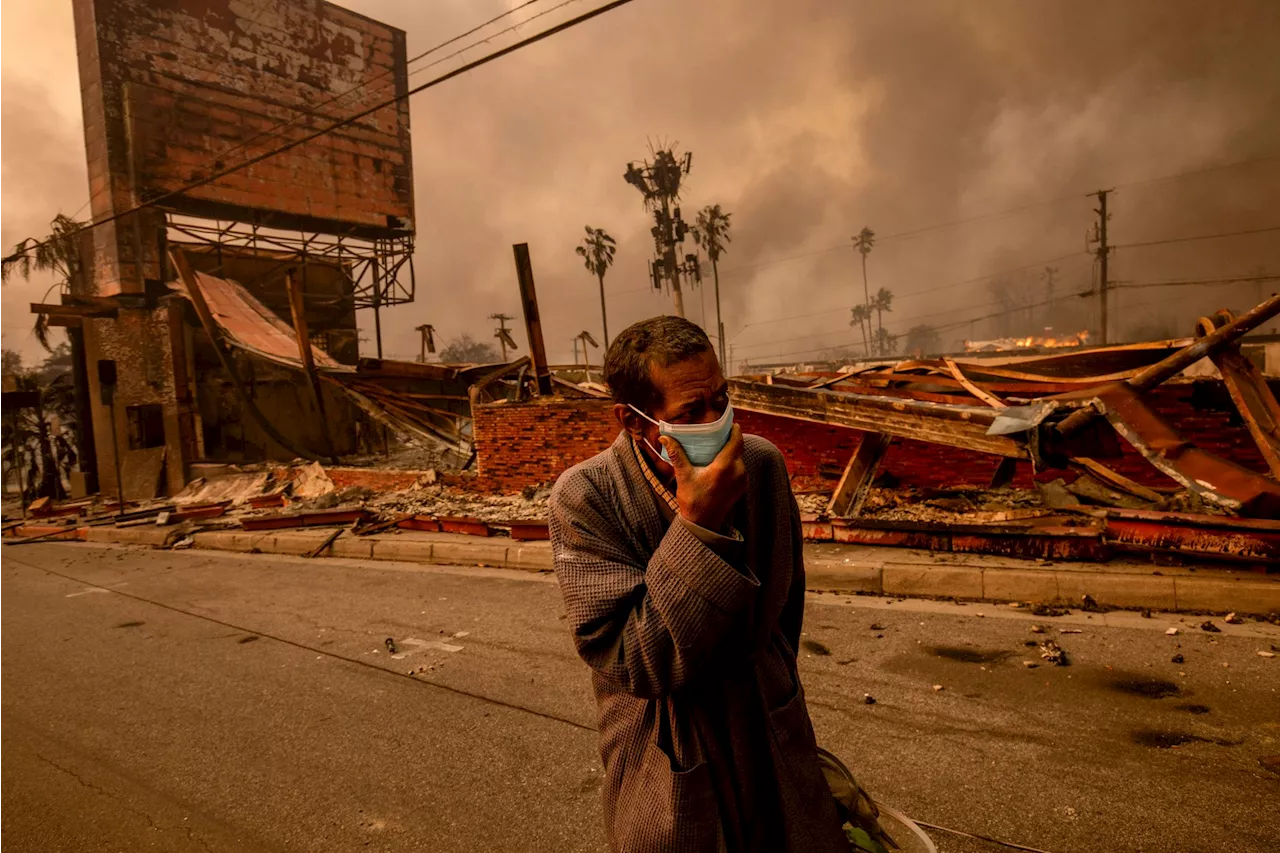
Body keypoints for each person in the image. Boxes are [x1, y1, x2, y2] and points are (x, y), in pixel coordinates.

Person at [549, 316, 849, 852]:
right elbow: (634, 658)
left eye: (721, 398)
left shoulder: (762, 465)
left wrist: (774, 682)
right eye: (691, 412)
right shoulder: (585, 496)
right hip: (665, 737)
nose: (716, 420)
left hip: (766, 717)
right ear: (634, 421)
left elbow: (785, 612)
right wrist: (698, 525)